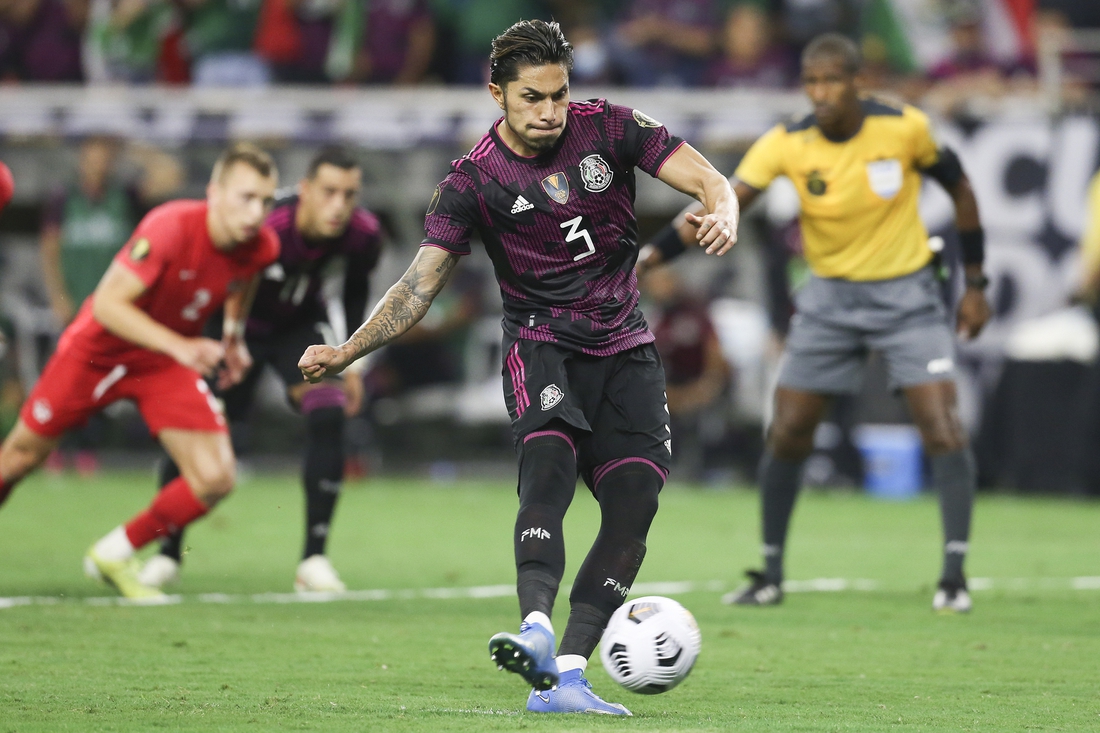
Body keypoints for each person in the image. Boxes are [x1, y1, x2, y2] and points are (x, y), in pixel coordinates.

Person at [298, 19, 738, 715]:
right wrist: (347, 350)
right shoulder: (472, 182)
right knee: (550, 476)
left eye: (558, 95)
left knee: (634, 508)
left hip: (625, 350)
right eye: (532, 97)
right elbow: (419, 285)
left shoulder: (613, 128)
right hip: (541, 345)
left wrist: (726, 211)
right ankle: (535, 626)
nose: (549, 112)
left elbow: (710, 180)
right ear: (496, 92)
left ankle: (564, 675)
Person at [641, 33, 991, 613]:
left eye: (832, 80)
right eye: (812, 82)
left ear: (856, 83)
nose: (821, 92)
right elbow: (724, 201)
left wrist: (975, 284)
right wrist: (653, 253)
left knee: (941, 423)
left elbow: (961, 188)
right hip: (828, 300)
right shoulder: (786, 143)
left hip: (907, 294)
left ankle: (954, 573)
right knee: (789, 429)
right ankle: (770, 571)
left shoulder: (905, 127)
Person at [0, 143, 280, 600]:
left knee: (215, 477)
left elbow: (242, 279)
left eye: (266, 201)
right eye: (246, 198)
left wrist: (232, 335)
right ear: (214, 192)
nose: (256, 213)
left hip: (161, 361)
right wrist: (183, 345)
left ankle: (114, 553)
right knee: (19, 459)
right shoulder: (170, 225)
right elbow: (108, 305)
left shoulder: (260, 245)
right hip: (99, 351)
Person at [139, 146, 382, 593]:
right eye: (329, 192)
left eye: (349, 194)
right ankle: (167, 555)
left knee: (328, 412)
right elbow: (224, 276)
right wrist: (221, 338)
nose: (339, 205)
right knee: (195, 434)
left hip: (296, 328)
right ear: (305, 190)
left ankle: (313, 560)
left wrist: (351, 360)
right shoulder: (269, 224)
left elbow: (354, 291)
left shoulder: (363, 234)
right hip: (234, 328)